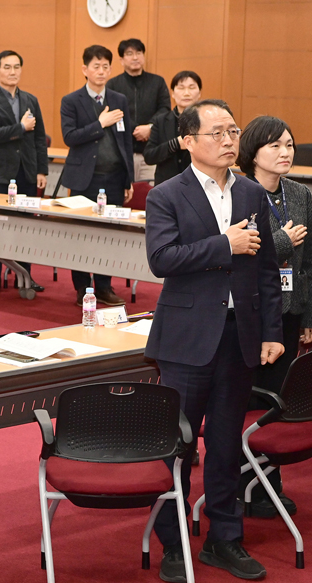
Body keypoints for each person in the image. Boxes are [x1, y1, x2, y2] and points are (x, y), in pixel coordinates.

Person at [145, 99, 283, 582]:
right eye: (217, 133)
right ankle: (174, 542)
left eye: (233, 131)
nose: (229, 141)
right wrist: (224, 243)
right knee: (178, 445)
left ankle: (226, 539)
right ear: (188, 141)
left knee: (225, 445)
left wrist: (271, 332)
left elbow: (266, 269)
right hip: (185, 341)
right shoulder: (166, 194)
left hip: (238, 338)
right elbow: (162, 258)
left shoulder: (248, 192)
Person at [237, 115, 312, 518]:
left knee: (277, 402)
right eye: (275, 146)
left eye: (289, 145)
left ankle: (268, 482)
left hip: (290, 312)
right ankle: (244, 482)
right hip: (253, 314)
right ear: (253, 152)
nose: (285, 153)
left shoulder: (300, 194)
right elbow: (247, 253)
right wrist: (283, 240)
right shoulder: (240, 194)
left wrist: (309, 319)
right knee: (249, 401)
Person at [60, 45, 134, 307]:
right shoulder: (71, 101)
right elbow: (70, 137)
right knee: (81, 233)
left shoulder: (119, 99)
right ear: (85, 69)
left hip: (114, 177)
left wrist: (129, 179)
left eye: (105, 67)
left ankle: (103, 286)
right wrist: (99, 124)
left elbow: (126, 142)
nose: (101, 71)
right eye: (96, 66)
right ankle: (82, 287)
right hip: (84, 179)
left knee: (109, 233)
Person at [0, 50, 48, 294]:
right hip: (0, 172)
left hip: (27, 171)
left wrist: (42, 170)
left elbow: (39, 138)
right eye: (7, 67)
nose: (12, 72)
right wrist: (20, 127)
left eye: (17, 67)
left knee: (25, 226)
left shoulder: (30, 99)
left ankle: (25, 276)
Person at [106, 38, 171, 182]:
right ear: (122, 60)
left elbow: (165, 109)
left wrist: (149, 128)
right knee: (121, 196)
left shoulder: (157, 82)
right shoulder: (113, 85)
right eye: (129, 53)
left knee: (148, 195)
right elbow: (112, 113)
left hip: (150, 153)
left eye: (139, 53)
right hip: (121, 155)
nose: (135, 57)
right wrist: (135, 129)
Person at [143, 71, 202, 185]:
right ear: (173, 94)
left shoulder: (206, 121)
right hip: (166, 186)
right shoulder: (160, 121)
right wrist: (175, 144)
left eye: (191, 88)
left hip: (197, 184)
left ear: (199, 93)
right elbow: (149, 156)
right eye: (181, 88)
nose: (186, 93)